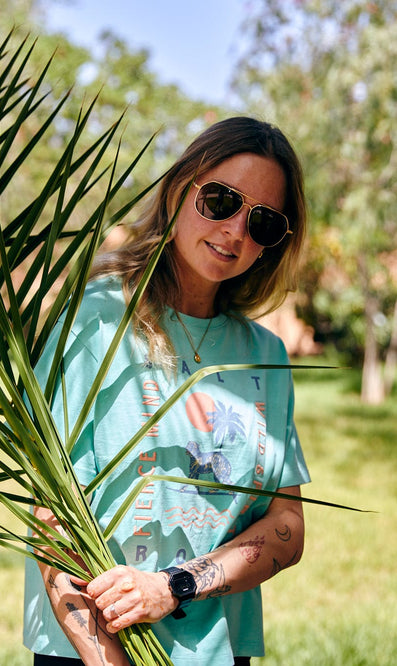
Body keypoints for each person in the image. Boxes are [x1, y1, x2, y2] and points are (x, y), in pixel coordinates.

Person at [23, 116, 311, 666]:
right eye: (222, 200)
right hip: (92, 652)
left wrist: (174, 585)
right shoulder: (96, 320)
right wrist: (104, 656)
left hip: (220, 652)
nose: (235, 232)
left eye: (264, 223)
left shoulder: (267, 355)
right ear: (180, 190)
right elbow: (48, 512)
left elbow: (286, 526)